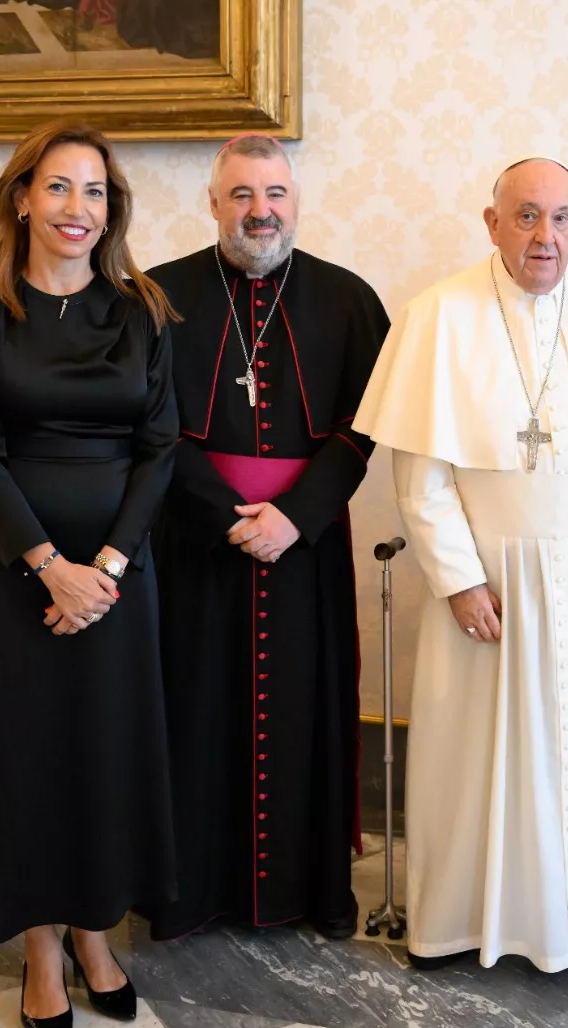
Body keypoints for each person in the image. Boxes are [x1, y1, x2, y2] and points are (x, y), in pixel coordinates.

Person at [353, 157, 568, 973]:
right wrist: (458, 578)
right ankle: (460, 920)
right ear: (490, 222)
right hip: (487, 579)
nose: (544, 235)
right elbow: (419, 476)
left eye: (561, 217)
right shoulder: (437, 315)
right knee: (475, 754)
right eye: (525, 216)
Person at [0, 119, 181, 1028]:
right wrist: (49, 566)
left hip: (118, 579)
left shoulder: (144, 308)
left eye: (96, 192)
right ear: (22, 198)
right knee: (23, 759)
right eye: (60, 188)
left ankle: (95, 929)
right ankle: (42, 948)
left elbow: (160, 448)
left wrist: (108, 570)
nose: (79, 209)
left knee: (104, 753)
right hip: (15, 573)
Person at [143, 134, 390, 941]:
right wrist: (223, 517)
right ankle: (190, 894)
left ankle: (308, 893)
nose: (260, 211)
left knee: (305, 715)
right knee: (194, 712)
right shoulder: (159, 297)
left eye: (275, 193)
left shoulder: (350, 301)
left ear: (296, 202)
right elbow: (150, 429)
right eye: (242, 194)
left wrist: (296, 516)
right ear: (214, 203)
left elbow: (363, 430)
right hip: (195, 542)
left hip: (305, 545)